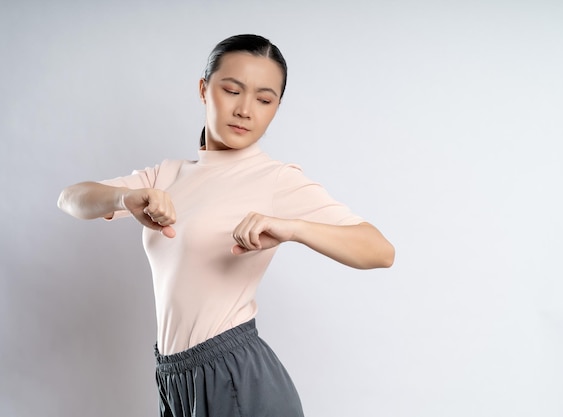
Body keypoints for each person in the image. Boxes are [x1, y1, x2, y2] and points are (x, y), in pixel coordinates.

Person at [58, 34, 394, 417]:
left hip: (234, 374)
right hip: (174, 377)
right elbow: (70, 198)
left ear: (276, 108)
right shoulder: (167, 175)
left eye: (264, 100)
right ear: (204, 89)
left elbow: (381, 251)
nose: (245, 110)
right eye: (232, 90)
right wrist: (124, 198)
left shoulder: (275, 179)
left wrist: (293, 228)